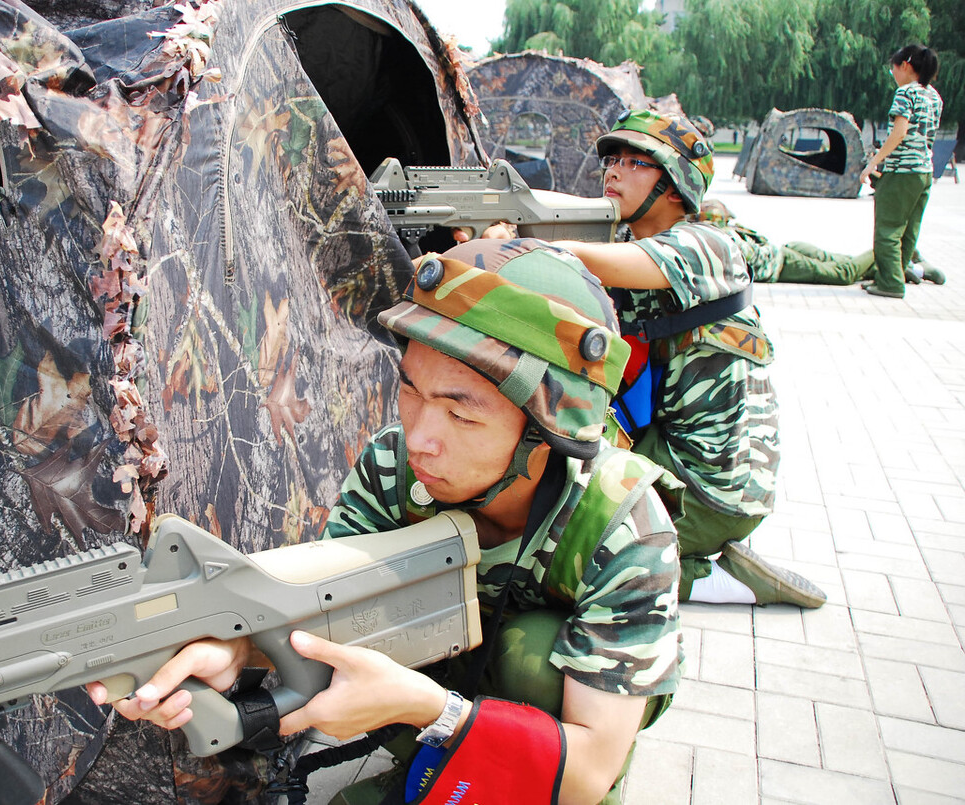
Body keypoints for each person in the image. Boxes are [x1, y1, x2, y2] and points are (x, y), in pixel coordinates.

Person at [88, 238, 683, 805]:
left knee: (532, 659)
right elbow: (319, 612)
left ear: (547, 431)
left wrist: (433, 709)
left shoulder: (623, 525)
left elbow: (588, 771)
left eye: (461, 414)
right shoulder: (396, 465)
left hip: (549, 759)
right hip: (435, 714)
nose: (420, 438)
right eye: (411, 391)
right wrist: (236, 646)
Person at [544, 109, 826, 609]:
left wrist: (525, 244)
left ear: (674, 187)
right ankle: (694, 550)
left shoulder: (707, 244)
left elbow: (597, 261)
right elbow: (565, 213)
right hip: (682, 457)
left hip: (712, 490)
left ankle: (707, 577)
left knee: (550, 545)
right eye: (612, 160)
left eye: (635, 162)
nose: (613, 171)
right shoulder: (636, 240)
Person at [698, 199, 946, 286]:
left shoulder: (719, 239)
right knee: (852, 264)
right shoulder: (726, 226)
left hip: (786, 263)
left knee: (845, 273)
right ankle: (906, 268)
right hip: (786, 249)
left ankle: (902, 249)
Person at [859, 44, 943, 299]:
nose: (893, 74)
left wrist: (874, 163)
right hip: (924, 172)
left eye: (892, 69)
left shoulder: (906, 93)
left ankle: (890, 283)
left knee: (888, 229)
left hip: (901, 171)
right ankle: (897, 274)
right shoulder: (934, 96)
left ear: (905, 66)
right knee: (909, 229)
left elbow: (899, 133)